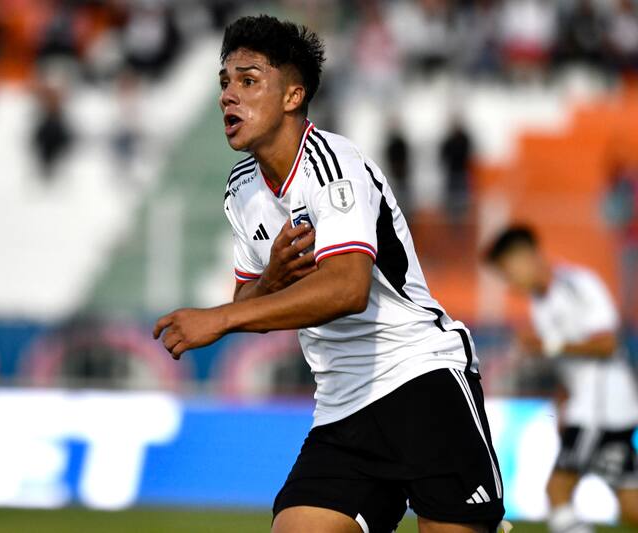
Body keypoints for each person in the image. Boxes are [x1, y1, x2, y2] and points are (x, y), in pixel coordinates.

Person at [154, 15, 505, 533]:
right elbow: (251, 299)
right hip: (342, 401)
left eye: (249, 80)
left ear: (293, 96)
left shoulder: (332, 162)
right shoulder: (242, 189)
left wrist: (221, 320)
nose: (229, 95)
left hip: (418, 377)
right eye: (224, 82)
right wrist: (269, 279)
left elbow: (347, 288)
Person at [483, 225, 638, 532]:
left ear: (525, 257)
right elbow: (568, 367)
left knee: (557, 491)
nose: (508, 281)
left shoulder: (576, 284)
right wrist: (563, 403)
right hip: (592, 408)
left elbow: (608, 343)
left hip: (602, 408)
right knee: (630, 501)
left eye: (507, 270)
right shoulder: (540, 303)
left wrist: (548, 345)